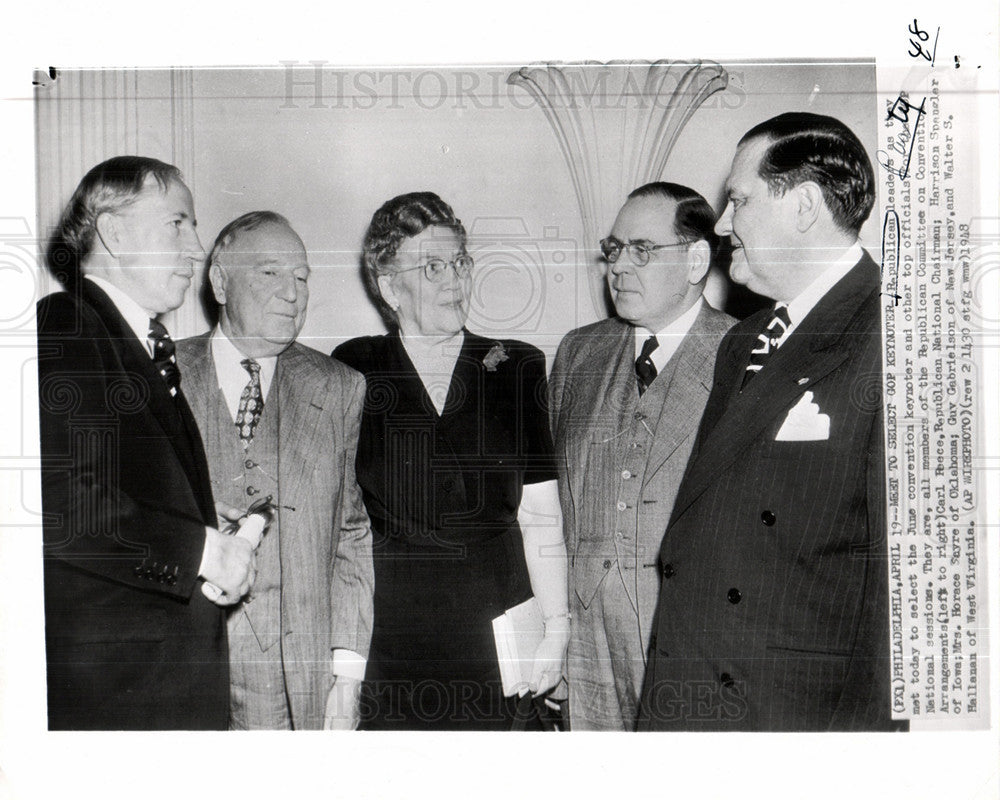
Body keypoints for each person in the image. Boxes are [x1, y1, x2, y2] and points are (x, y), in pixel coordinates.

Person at [638, 112, 899, 731]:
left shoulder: (898, 338)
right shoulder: (746, 340)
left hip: (786, 721)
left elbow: (898, 601)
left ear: (804, 205)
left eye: (740, 200)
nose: (723, 224)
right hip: (692, 695)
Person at [333, 191, 568, 730]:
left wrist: (556, 630)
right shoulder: (354, 368)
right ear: (390, 285)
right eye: (432, 266)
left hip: (500, 633)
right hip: (393, 636)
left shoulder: (515, 367)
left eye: (460, 262)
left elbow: (541, 518)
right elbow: (338, 528)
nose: (454, 280)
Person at [37, 156, 253, 730]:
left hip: (156, 692)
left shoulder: (133, 341)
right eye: (177, 223)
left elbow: (111, 484)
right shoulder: (68, 323)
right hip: (121, 703)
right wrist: (201, 550)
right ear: (113, 231)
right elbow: (57, 501)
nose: (196, 246)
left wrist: (199, 517)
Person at [175, 211, 374, 729]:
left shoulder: (338, 387)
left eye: (302, 277)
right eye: (270, 273)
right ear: (220, 281)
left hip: (302, 689)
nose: (293, 293)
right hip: (187, 675)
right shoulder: (158, 376)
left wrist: (347, 675)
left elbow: (349, 533)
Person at [548, 182, 735, 730]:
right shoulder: (579, 352)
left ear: (697, 259)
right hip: (585, 647)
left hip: (693, 643)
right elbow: (552, 506)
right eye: (614, 250)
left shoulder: (744, 354)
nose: (619, 268)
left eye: (643, 251)